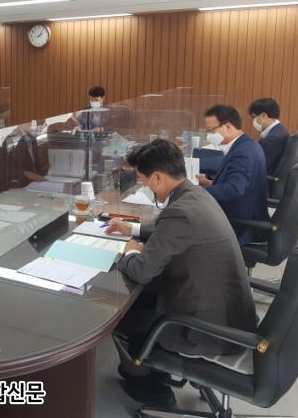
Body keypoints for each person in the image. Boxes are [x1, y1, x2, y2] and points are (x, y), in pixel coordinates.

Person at [106, 140, 256, 407]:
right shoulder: (195, 196)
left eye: (143, 181)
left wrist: (129, 252)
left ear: (157, 178)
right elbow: (173, 231)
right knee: (143, 300)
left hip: (207, 330)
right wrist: (134, 230)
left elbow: (141, 271)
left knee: (122, 317)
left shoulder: (181, 212)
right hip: (227, 314)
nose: (144, 186)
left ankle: (150, 387)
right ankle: (152, 370)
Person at [196, 104, 269, 245]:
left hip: (239, 225)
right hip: (242, 211)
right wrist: (209, 183)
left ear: (228, 126)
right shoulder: (245, 144)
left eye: (211, 130)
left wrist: (195, 190)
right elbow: (241, 183)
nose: (209, 135)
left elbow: (234, 189)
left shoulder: (243, 152)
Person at [248, 98, 289, 174]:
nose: (252, 121)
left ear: (263, 116)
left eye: (253, 117)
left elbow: (257, 167)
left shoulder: (272, 139)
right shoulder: (279, 130)